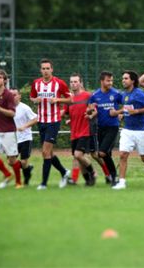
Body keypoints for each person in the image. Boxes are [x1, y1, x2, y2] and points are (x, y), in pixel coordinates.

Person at [110, 71, 144, 190]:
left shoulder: (139, 94)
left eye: (126, 78)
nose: (123, 80)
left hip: (141, 131)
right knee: (123, 155)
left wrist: (137, 112)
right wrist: (119, 113)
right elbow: (127, 108)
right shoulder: (124, 94)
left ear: (133, 81)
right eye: (123, 78)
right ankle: (122, 182)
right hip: (127, 130)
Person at [30, 58, 71, 190]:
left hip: (53, 121)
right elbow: (32, 97)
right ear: (40, 70)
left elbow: (70, 99)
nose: (46, 71)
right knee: (49, 153)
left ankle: (43, 184)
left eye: (48, 68)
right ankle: (64, 172)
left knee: (45, 152)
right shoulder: (36, 83)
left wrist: (58, 99)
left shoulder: (59, 83)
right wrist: (35, 100)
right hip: (41, 121)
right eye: (43, 68)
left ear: (52, 69)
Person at [88, 71, 120, 185]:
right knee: (107, 154)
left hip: (113, 127)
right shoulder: (95, 95)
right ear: (102, 81)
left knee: (101, 153)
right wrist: (89, 111)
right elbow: (90, 108)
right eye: (108, 80)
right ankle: (112, 179)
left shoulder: (116, 93)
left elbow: (125, 106)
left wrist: (118, 113)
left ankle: (114, 176)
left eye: (111, 80)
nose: (110, 82)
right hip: (100, 128)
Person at [64, 73, 97, 186]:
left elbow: (94, 110)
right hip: (74, 132)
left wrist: (90, 115)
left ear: (80, 83)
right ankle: (88, 179)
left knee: (78, 155)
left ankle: (92, 172)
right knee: (78, 158)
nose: (73, 84)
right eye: (71, 82)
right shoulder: (69, 99)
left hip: (85, 131)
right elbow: (65, 113)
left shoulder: (88, 96)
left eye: (75, 81)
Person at [10, 87, 38, 186]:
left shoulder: (25, 108)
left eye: (15, 95)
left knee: (23, 161)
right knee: (10, 162)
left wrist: (25, 126)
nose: (12, 97)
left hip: (25, 138)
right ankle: (28, 168)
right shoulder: (8, 108)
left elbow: (36, 119)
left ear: (19, 96)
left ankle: (26, 179)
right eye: (11, 95)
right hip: (13, 139)